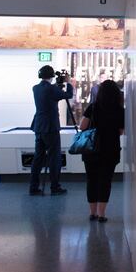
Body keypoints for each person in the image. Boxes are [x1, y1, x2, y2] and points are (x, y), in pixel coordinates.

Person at [80, 80, 124, 222]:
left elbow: (82, 126)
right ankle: (101, 214)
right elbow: (121, 131)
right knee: (105, 181)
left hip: (91, 150)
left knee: (91, 180)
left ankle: (92, 213)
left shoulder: (93, 107)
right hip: (110, 150)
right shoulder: (119, 110)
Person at [29, 65, 74, 196]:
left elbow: (51, 90)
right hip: (50, 127)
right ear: (52, 75)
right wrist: (68, 82)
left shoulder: (36, 88)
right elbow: (68, 95)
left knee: (38, 158)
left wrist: (58, 84)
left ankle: (33, 187)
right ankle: (55, 187)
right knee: (54, 158)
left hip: (39, 126)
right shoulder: (51, 89)